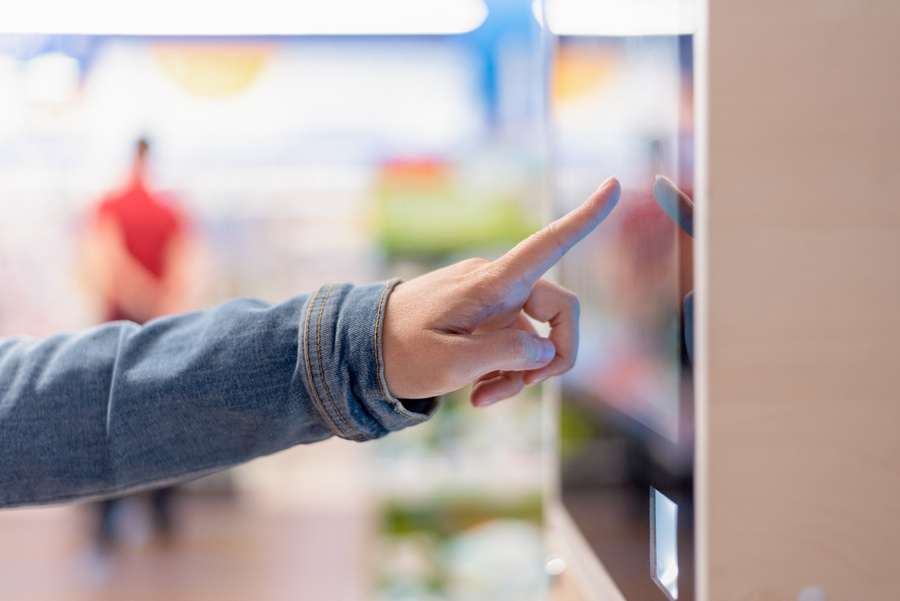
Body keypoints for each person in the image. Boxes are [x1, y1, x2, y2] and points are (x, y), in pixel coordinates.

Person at [0, 177, 621, 510]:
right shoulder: (160, 209)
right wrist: (361, 346)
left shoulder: (114, 205)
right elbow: (60, 406)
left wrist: (364, 344)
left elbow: (39, 406)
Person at [78, 137, 191, 548]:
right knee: (161, 419)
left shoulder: (110, 205)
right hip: (159, 328)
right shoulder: (169, 210)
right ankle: (163, 512)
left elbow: (106, 265)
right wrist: (159, 305)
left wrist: (137, 299)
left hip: (116, 330)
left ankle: (106, 516)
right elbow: (183, 267)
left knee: (107, 423)